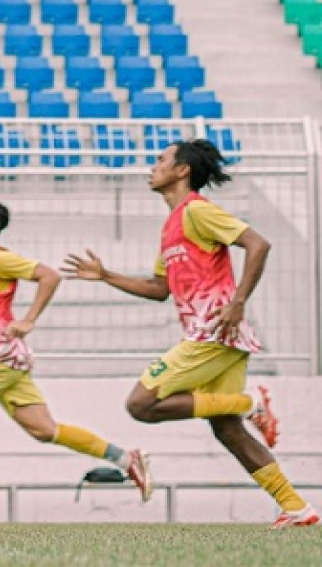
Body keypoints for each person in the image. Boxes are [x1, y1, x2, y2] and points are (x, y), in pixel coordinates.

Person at [63, 139, 317, 529]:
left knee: (141, 405)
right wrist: (105, 275)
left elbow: (257, 244)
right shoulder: (171, 226)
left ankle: (250, 402)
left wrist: (239, 300)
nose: (153, 166)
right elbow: (158, 288)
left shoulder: (198, 211)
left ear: (182, 171)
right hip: (217, 337)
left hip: (213, 333)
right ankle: (297, 509)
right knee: (227, 429)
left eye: (161, 160)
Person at [0, 199, 151, 523]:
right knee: (44, 430)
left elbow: (49, 276)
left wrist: (29, 319)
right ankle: (125, 458)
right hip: (6, 360)